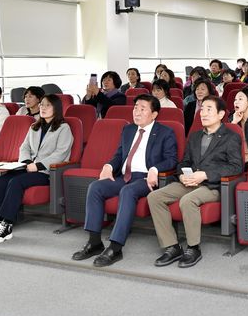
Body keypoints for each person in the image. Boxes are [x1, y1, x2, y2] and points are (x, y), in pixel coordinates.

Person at [72, 94, 178, 267]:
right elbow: (120, 155)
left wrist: (155, 169)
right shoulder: (128, 130)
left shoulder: (165, 132)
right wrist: (109, 165)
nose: (137, 111)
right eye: (135, 107)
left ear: (154, 114)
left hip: (145, 178)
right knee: (95, 187)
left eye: (143, 109)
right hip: (124, 176)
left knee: (127, 192)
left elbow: (172, 159)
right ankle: (94, 241)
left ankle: (115, 247)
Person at [148, 96, 243, 268]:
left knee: (187, 201)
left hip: (212, 185)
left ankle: (193, 248)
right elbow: (184, 162)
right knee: (154, 197)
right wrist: (182, 175)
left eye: (209, 109)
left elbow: (236, 167)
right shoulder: (195, 136)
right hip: (189, 182)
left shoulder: (231, 137)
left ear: (221, 114)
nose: (203, 113)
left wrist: (206, 174)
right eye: (202, 109)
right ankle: (172, 246)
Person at [0, 94, 73, 244]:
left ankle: (7, 225)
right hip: (28, 167)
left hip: (47, 172)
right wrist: (27, 162)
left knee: (16, 182)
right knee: (2, 180)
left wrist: (38, 165)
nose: (43, 108)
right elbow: (24, 147)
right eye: (41, 104)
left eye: (47, 105)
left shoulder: (63, 128)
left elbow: (60, 153)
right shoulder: (34, 126)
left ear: (56, 108)